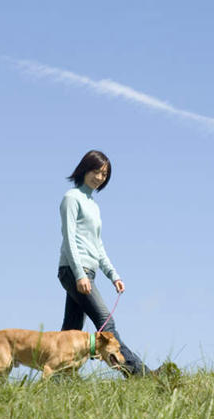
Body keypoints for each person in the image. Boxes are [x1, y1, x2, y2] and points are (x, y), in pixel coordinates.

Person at [57, 150, 153, 377]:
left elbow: (97, 245)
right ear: (84, 169)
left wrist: (113, 275)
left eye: (104, 174)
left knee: (70, 330)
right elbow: (69, 238)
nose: (99, 177)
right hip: (74, 270)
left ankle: (58, 380)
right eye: (96, 171)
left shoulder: (93, 205)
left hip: (87, 272)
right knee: (106, 323)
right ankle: (140, 374)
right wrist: (79, 274)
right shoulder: (72, 198)